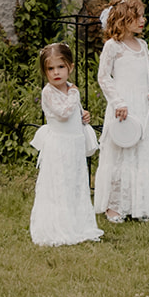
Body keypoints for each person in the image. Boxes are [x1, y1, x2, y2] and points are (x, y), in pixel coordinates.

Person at [94, 0, 149, 223]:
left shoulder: (142, 46)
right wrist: (118, 102)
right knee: (120, 152)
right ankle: (114, 205)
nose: (143, 21)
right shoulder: (113, 47)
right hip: (123, 108)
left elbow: (148, 73)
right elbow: (104, 77)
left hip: (141, 107)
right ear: (124, 19)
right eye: (138, 17)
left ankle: (140, 204)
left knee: (140, 152)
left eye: (143, 16)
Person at [29, 40, 103, 246]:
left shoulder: (71, 89)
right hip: (59, 146)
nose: (56, 73)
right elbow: (62, 113)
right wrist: (73, 96)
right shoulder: (49, 92)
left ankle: (77, 223)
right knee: (59, 184)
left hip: (74, 145)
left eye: (60, 67)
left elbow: (73, 112)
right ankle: (57, 225)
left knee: (75, 183)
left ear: (70, 67)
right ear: (45, 72)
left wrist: (83, 115)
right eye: (50, 69)